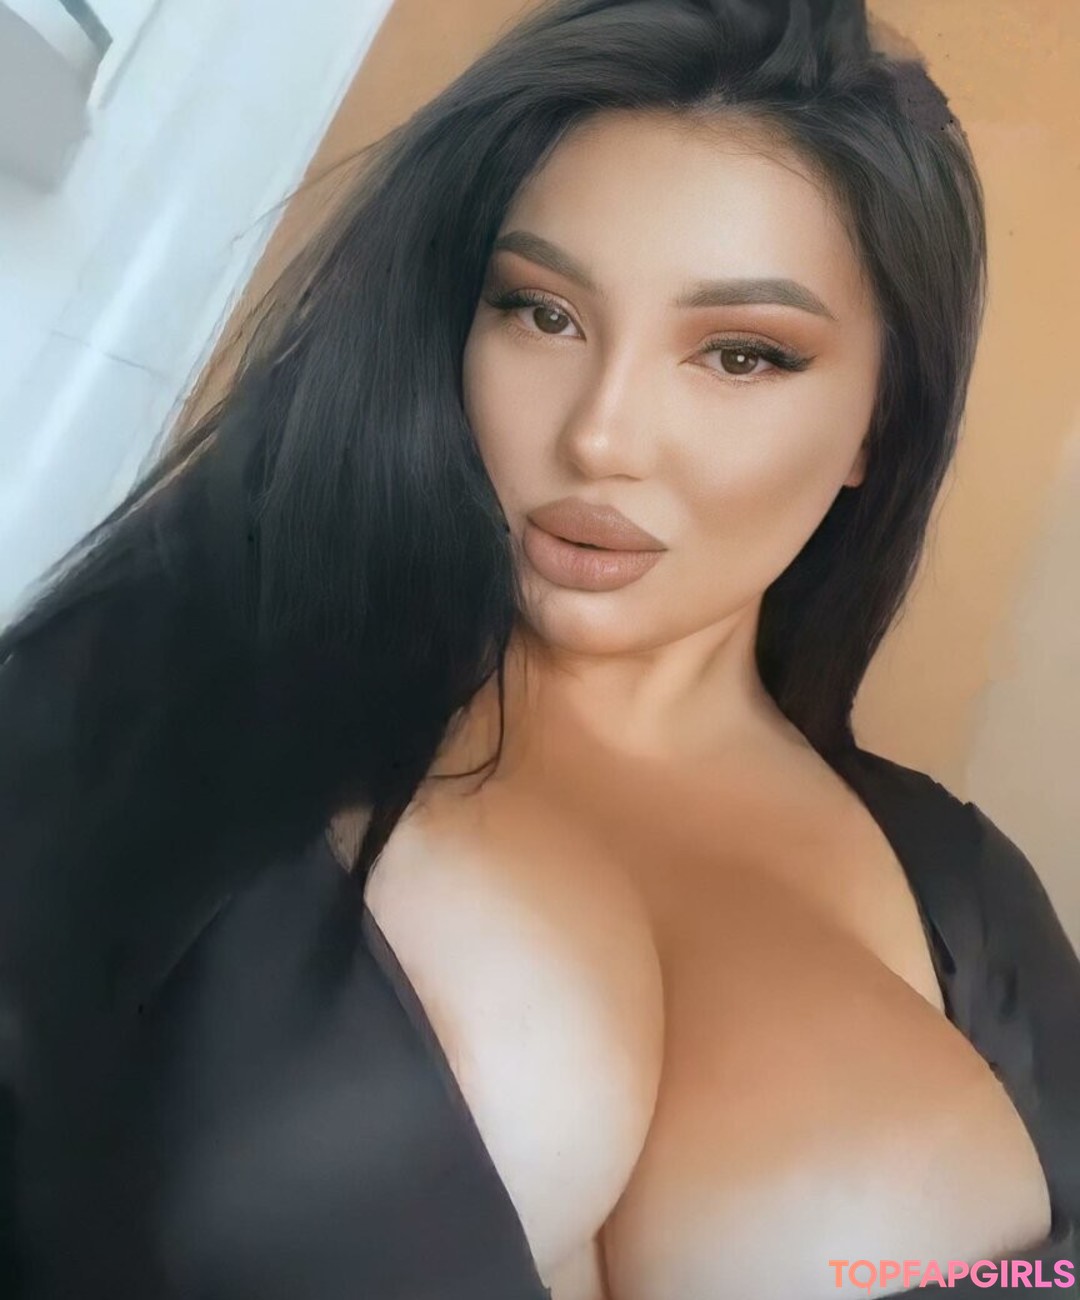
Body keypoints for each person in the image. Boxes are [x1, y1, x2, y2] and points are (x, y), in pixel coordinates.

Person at [1, 1, 1078, 1297]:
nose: (601, 435)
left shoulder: (965, 901)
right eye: (543, 314)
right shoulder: (173, 694)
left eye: (742, 355)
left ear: (876, 427)